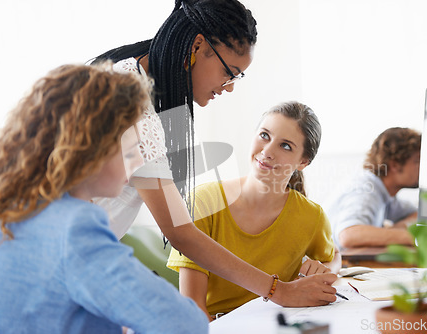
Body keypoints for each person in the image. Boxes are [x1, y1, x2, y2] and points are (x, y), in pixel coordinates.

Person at [91, 0, 337, 307]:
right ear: (197, 46)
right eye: (229, 72)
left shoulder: (130, 79)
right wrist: (281, 291)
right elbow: (180, 233)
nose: (229, 86)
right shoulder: (134, 106)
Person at [0, 63, 208, 333]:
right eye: (131, 151)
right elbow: (184, 323)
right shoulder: (76, 227)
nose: (140, 160)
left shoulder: (10, 208)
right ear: (92, 149)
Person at [167, 102, 341, 320]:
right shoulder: (202, 201)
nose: (267, 151)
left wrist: (328, 267)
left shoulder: (312, 216)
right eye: (265, 135)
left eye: (285, 146)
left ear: (303, 162)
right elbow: (193, 309)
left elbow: (334, 254)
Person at [328, 127, 421, 248]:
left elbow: (417, 214)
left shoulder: (385, 193)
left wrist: (397, 228)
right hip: (339, 265)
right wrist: (412, 237)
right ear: (395, 165)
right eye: (417, 161)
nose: (423, 167)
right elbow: (348, 235)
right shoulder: (366, 190)